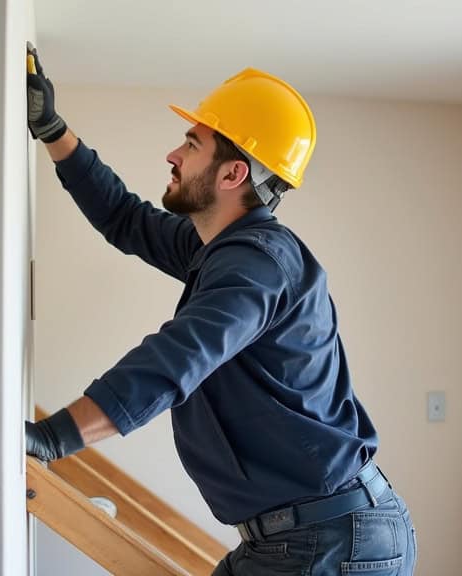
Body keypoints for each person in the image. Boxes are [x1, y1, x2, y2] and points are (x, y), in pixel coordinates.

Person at [24, 48, 417, 575]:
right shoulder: (220, 248)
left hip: (326, 540)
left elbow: (177, 357)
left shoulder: (258, 265)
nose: (173, 155)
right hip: (305, 534)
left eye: (191, 144)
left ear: (233, 173)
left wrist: (53, 438)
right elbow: (125, 218)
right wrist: (53, 130)